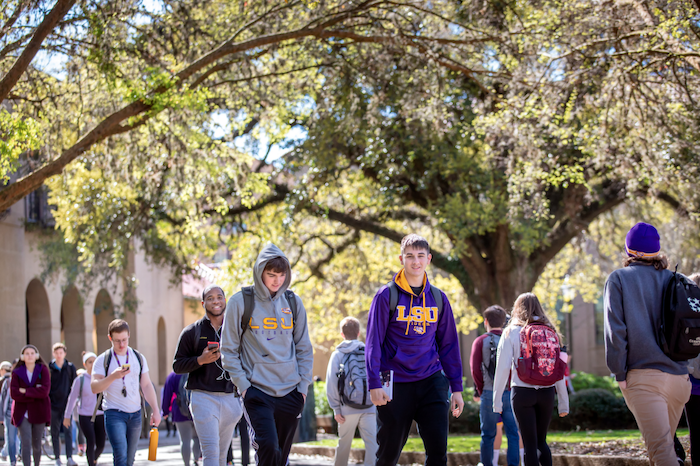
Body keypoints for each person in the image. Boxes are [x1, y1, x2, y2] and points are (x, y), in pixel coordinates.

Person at [365, 234, 465, 466]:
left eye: (421, 256)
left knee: (438, 454)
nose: (415, 261)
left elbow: (449, 345)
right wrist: (374, 383)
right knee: (388, 455)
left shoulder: (439, 299)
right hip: (395, 383)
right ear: (401, 259)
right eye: (410, 256)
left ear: (429, 259)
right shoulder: (385, 296)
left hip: (431, 381)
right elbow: (373, 343)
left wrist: (456, 388)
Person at [604, 222, 691, 466]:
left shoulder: (619, 279)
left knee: (662, 454)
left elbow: (616, 332)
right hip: (679, 378)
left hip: (643, 379)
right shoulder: (679, 279)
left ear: (628, 250)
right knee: (661, 453)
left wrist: (619, 373)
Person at [220, 243, 314, 466]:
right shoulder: (240, 301)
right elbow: (228, 350)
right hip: (257, 391)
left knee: (279, 457)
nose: (276, 280)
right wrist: (244, 387)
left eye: (281, 275)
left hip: (291, 391)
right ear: (259, 271)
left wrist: (302, 389)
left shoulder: (293, 302)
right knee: (267, 446)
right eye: (271, 274)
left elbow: (304, 348)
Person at [492, 293, 569, 466]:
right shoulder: (551, 332)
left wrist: (496, 402)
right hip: (547, 392)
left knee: (529, 444)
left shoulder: (511, 331)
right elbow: (558, 370)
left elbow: (503, 368)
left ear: (517, 308)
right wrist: (564, 403)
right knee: (542, 441)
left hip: (522, 392)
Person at [173, 285, 241, 466]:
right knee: (211, 453)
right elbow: (177, 366)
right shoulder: (191, 332)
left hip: (230, 400)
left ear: (225, 300)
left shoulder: (236, 330)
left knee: (221, 456)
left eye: (219, 297)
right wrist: (200, 360)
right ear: (203, 303)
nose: (216, 301)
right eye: (210, 298)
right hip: (203, 398)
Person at [91, 319, 161, 466]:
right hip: (114, 413)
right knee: (120, 456)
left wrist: (155, 410)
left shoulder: (138, 358)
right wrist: (113, 377)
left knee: (130, 459)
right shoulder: (103, 360)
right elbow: (94, 387)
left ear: (129, 335)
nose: (121, 345)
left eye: (124, 340)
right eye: (117, 341)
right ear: (110, 338)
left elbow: (147, 385)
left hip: (135, 414)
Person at [470, 305, 520, 466]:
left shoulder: (480, 341)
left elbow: (475, 369)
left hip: (489, 392)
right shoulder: (510, 339)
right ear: (504, 322)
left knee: (488, 434)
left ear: (486, 321)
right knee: (513, 433)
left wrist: (480, 389)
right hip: (510, 393)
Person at [326, 316, 378, 466]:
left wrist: (336, 408)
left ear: (342, 334)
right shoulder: (369, 351)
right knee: (373, 443)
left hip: (347, 408)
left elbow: (331, 382)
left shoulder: (338, 354)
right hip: (370, 405)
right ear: (359, 333)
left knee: (344, 444)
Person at [10, 345, 51, 466]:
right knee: (26, 442)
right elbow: (14, 393)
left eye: (32, 353)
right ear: (22, 357)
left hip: (40, 411)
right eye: (27, 353)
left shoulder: (43, 369)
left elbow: (44, 391)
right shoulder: (17, 372)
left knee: (37, 444)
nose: (30, 356)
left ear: (36, 355)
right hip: (22, 413)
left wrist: (25, 391)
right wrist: (34, 391)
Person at [63, 352, 105, 466]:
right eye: (89, 362)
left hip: (100, 414)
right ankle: (91, 463)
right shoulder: (80, 380)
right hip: (85, 415)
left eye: (94, 361)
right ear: (84, 364)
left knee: (101, 444)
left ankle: (94, 458)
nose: (92, 364)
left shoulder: (103, 378)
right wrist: (67, 416)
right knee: (90, 441)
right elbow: (71, 399)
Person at [162, 371, 202, 466]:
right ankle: (196, 461)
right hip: (197, 409)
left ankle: (187, 464)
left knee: (185, 440)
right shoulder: (197, 371)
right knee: (196, 438)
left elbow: (167, 393)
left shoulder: (174, 375)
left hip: (180, 411)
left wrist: (165, 411)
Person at [49, 343, 78, 466]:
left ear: (65, 353)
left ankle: (69, 457)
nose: (59, 355)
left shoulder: (70, 368)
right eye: (56, 353)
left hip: (67, 406)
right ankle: (57, 458)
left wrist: (74, 402)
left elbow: (75, 386)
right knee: (54, 432)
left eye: (61, 353)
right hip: (53, 405)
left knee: (68, 431)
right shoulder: (49, 368)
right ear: (53, 354)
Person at [1, 359, 19, 466]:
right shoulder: (7, 383)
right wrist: (2, 416)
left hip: (24, 415)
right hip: (9, 415)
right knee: (11, 438)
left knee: (24, 439)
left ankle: (21, 455)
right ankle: (13, 460)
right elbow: (3, 400)